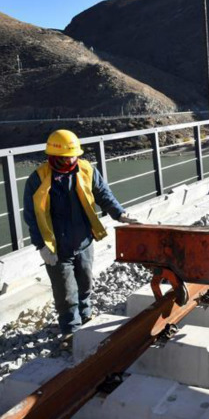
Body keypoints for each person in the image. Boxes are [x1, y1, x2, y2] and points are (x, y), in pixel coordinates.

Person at [23, 129, 134, 344]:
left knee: (85, 282)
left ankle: (86, 316)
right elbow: (32, 216)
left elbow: (103, 194)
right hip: (56, 246)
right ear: (54, 156)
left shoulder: (86, 170)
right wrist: (41, 246)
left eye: (74, 155)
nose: (72, 159)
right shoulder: (38, 179)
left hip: (83, 241)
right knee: (65, 291)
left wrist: (121, 214)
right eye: (67, 156)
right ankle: (71, 329)